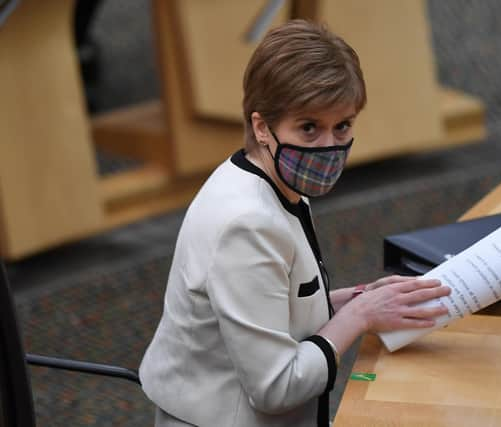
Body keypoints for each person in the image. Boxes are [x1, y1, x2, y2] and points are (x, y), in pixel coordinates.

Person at [139, 19, 450, 427]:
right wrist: (358, 318)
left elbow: (276, 302)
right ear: (262, 126)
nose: (330, 146)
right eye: (309, 127)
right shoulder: (246, 224)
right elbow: (275, 388)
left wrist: (357, 299)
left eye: (343, 126)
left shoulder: (272, 176)